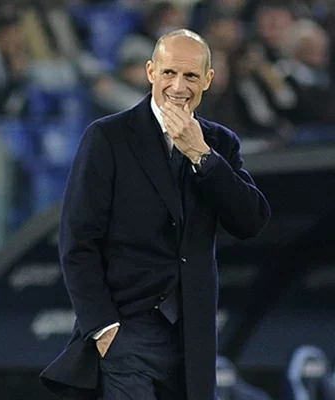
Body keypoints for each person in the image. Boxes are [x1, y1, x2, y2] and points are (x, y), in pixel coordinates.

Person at [40, 29, 271, 400]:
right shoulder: (108, 137)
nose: (178, 86)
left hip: (192, 339)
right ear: (151, 72)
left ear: (208, 79)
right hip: (126, 333)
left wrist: (202, 156)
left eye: (191, 75)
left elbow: (251, 221)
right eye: (169, 73)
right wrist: (103, 328)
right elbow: (78, 241)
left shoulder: (220, 143)